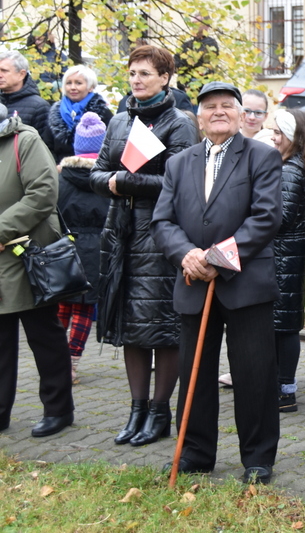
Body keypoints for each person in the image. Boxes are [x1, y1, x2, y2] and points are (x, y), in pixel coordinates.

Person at [152, 81, 283, 484]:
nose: (218, 112)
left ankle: (258, 459)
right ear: (199, 116)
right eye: (210, 107)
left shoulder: (262, 156)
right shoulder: (179, 162)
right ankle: (195, 453)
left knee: (254, 375)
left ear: (243, 114)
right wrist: (188, 255)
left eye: (227, 105)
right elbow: (162, 220)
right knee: (194, 373)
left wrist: (215, 258)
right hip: (193, 283)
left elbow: (265, 218)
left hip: (245, 285)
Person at [91, 45, 198, 447]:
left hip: (161, 235)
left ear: (165, 78)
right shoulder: (119, 120)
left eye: (145, 74)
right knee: (130, 326)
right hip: (121, 234)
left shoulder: (180, 123)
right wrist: (113, 182)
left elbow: (182, 180)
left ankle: (160, 412)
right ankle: (136, 410)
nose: (136, 80)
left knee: (161, 326)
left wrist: (127, 183)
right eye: (133, 73)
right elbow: (97, 175)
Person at [0, 102, 75, 438]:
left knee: (43, 334)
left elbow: (43, 193)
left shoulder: (24, 140)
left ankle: (59, 410)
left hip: (28, 254)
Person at [269, 109, 305, 412]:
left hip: (282, 254)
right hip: (287, 252)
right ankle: (281, 385)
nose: (273, 137)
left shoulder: (289, 171)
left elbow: (279, 218)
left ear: (292, 136)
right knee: (283, 322)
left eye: (278, 132)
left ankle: (285, 390)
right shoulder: (290, 165)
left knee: (284, 325)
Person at [56, 113, 110, 382]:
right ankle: (72, 363)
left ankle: (56, 361)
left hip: (64, 249)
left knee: (63, 304)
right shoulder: (106, 180)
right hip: (96, 250)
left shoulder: (59, 178)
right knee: (85, 308)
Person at [48, 65, 114, 161]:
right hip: (61, 171)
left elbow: (111, 147)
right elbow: (47, 146)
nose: (73, 87)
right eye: (68, 83)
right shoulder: (55, 113)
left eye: (78, 83)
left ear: (90, 87)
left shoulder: (102, 112)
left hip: (92, 170)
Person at [0, 50, 53, 151]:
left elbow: (45, 150)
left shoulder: (39, 107)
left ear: (21, 74)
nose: (0, 75)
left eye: (4, 71)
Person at [174, 21, 220, 94]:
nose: (194, 24)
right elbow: (175, 65)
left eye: (197, 22)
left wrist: (185, 62)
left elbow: (198, 60)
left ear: (207, 26)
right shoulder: (187, 44)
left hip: (202, 90)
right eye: (193, 22)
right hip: (183, 90)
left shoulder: (210, 43)